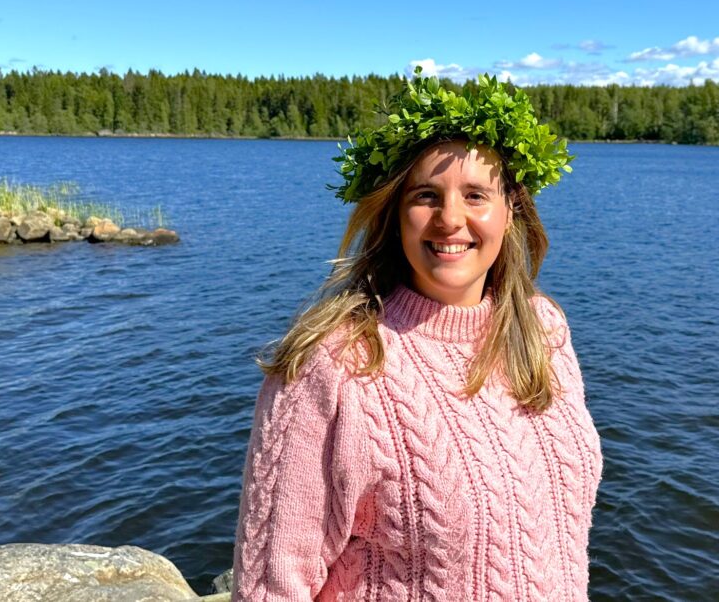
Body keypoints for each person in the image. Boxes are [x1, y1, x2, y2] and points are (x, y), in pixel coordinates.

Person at [232, 70, 603, 601]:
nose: (451, 219)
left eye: (476, 194)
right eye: (426, 195)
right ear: (394, 214)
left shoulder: (544, 330)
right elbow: (273, 585)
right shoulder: (335, 366)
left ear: (510, 210)